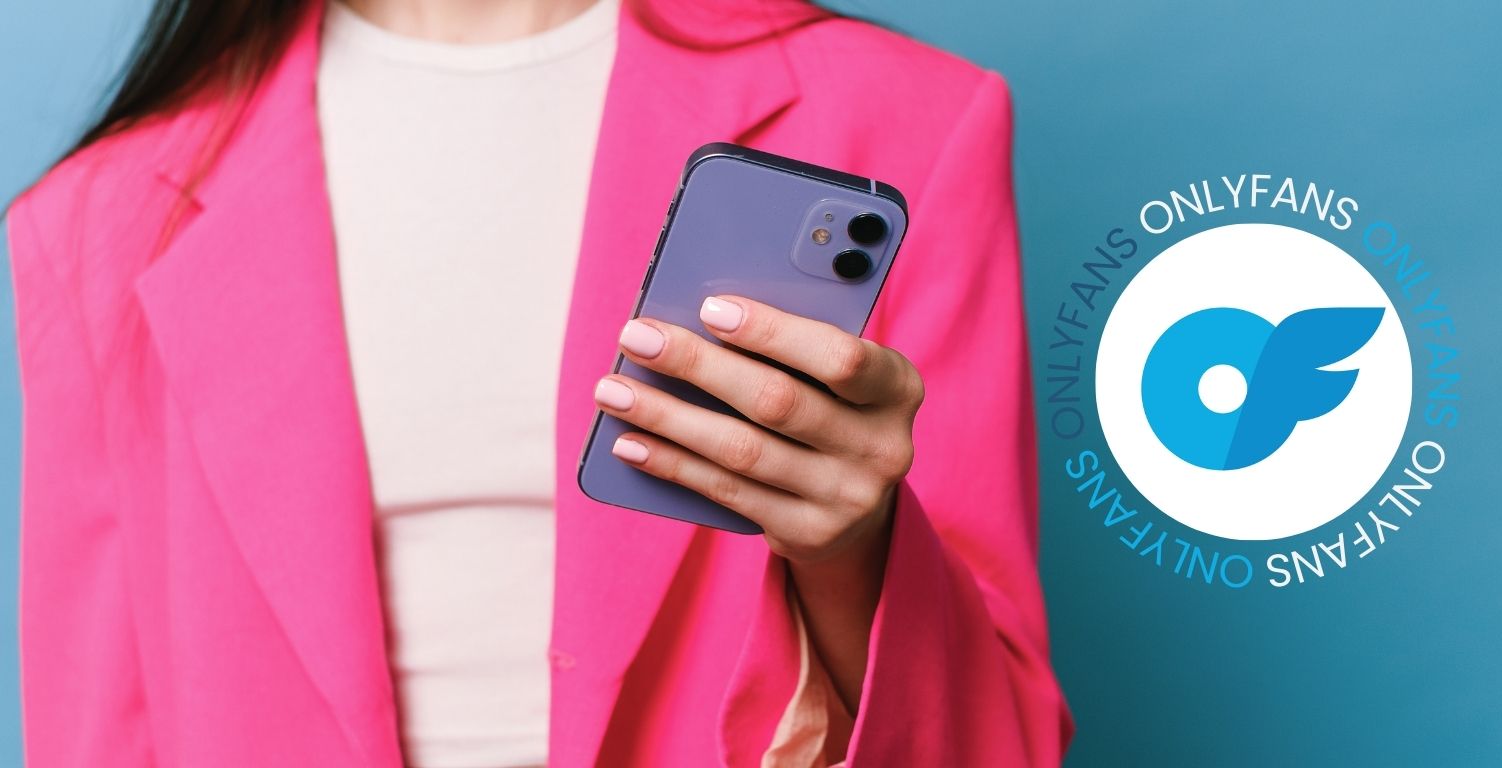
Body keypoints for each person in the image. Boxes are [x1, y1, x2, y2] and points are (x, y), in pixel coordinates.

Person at [5, 0, 1071, 765]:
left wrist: (850, 553)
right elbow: (97, 733)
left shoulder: (908, 124)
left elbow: (1001, 744)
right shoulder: (94, 220)